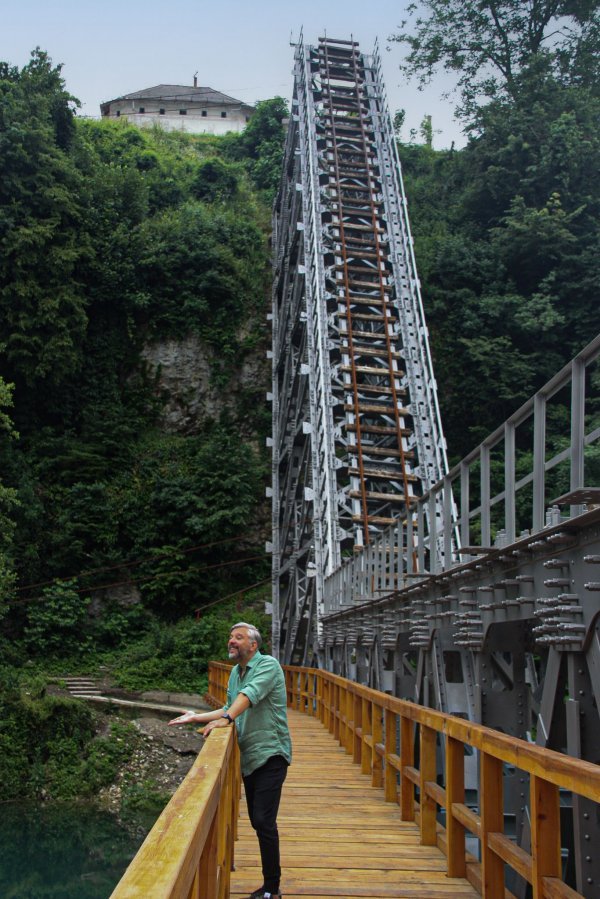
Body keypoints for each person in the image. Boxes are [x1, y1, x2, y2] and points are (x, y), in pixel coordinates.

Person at [169, 622, 291, 899]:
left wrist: (227, 719)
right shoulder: (236, 672)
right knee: (258, 821)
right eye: (231, 637)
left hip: (271, 751)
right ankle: (271, 884)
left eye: (239, 637)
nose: (232, 641)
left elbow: (248, 697)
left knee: (263, 820)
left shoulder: (268, 666)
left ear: (253, 645)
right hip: (250, 756)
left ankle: (273, 888)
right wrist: (196, 717)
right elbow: (229, 706)